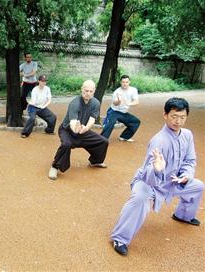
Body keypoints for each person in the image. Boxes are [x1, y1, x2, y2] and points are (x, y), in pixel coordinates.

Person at [111, 97, 203, 256]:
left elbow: (190, 160)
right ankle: (120, 238)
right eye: (174, 116)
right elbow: (148, 175)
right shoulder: (158, 141)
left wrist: (186, 176)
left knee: (197, 186)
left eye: (182, 117)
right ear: (165, 115)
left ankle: (183, 215)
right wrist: (157, 170)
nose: (178, 121)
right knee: (140, 198)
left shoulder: (187, 135)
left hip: (174, 181)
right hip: (149, 183)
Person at [48, 80, 108, 180]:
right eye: (86, 91)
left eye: (90, 91)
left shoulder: (96, 103)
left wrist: (86, 128)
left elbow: (92, 119)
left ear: (94, 91)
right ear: (82, 89)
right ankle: (54, 167)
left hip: (82, 130)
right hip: (67, 130)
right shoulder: (75, 103)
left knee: (103, 141)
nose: (88, 93)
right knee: (66, 144)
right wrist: (75, 129)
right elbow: (72, 122)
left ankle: (95, 161)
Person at [101, 75, 140, 142]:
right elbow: (115, 103)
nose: (125, 84)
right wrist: (118, 101)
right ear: (120, 82)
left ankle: (124, 137)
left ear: (129, 82)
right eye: (123, 82)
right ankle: (101, 140)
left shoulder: (133, 90)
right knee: (110, 124)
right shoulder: (117, 91)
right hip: (114, 111)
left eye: (126, 82)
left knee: (135, 122)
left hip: (124, 113)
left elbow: (136, 101)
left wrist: (129, 103)